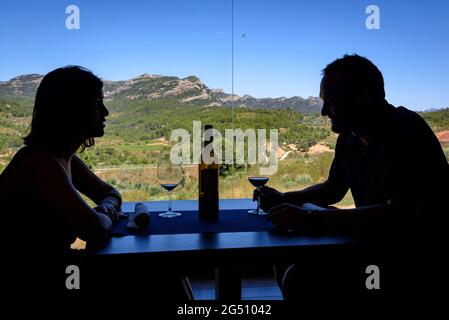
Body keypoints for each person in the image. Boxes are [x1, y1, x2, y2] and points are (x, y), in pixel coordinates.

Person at [258, 54, 449, 301]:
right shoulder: (349, 137)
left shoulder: (404, 131)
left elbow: (402, 214)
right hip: (375, 244)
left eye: (332, 102)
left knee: (300, 278)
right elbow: (333, 189)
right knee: (286, 261)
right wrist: (287, 197)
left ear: (364, 98)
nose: (325, 111)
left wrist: (311, 219)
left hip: (414, 259)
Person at [0, 66, 192, 301]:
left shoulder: (65, 157)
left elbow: (111, 193)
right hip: (32, 282)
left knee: (165, 273)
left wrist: (105, 209)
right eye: (96, 104)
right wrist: (106, 212)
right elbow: (95, 230)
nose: (106, 112)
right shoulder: (41, 162)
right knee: (164, 276)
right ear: (71, 110)